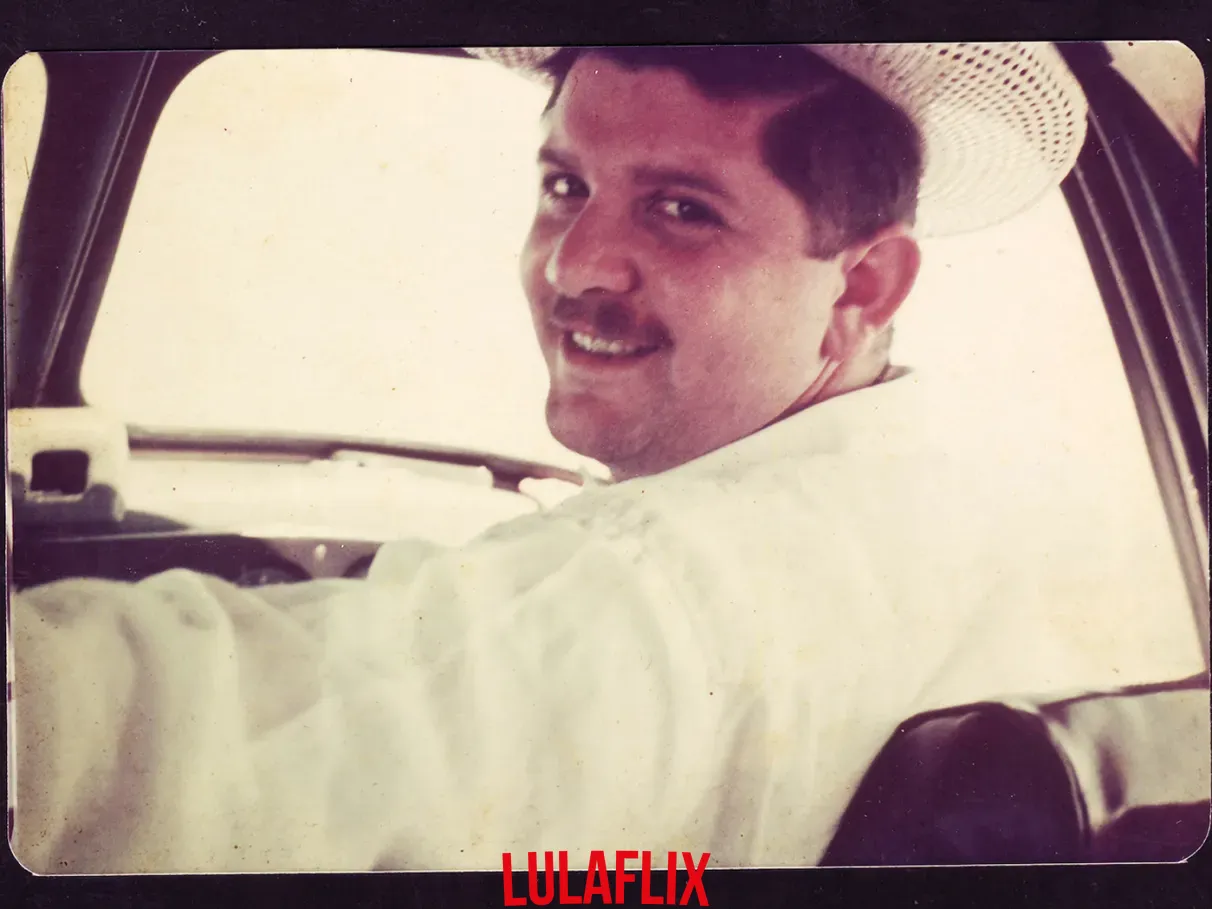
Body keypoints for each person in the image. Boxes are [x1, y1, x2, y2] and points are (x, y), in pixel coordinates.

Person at [8, 43, 1204, 874]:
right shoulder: (971, 496)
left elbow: (181, 747)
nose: (574, 263)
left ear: (866, 284)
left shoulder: (650, 582)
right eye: (565, 185)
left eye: (683, 208)